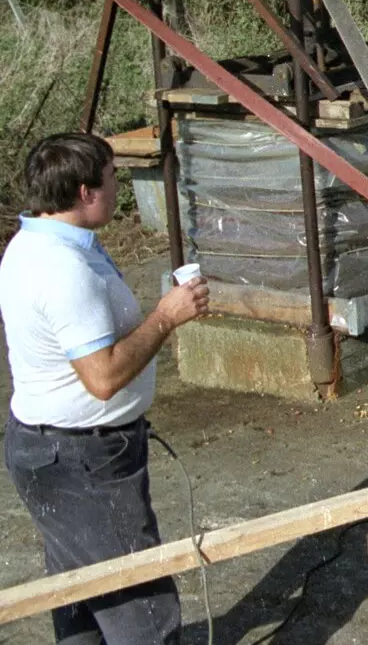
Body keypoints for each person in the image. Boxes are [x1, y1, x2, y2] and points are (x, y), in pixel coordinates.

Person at [1, 132, 210, 644]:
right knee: (140, 610)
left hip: (50, 449)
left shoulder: (33, 245)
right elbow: (103, 378)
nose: (119, 185)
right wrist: (166, 316)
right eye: (113, 177)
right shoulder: (63, 272)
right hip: (83, 461)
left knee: (81, 597)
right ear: (84, 191)